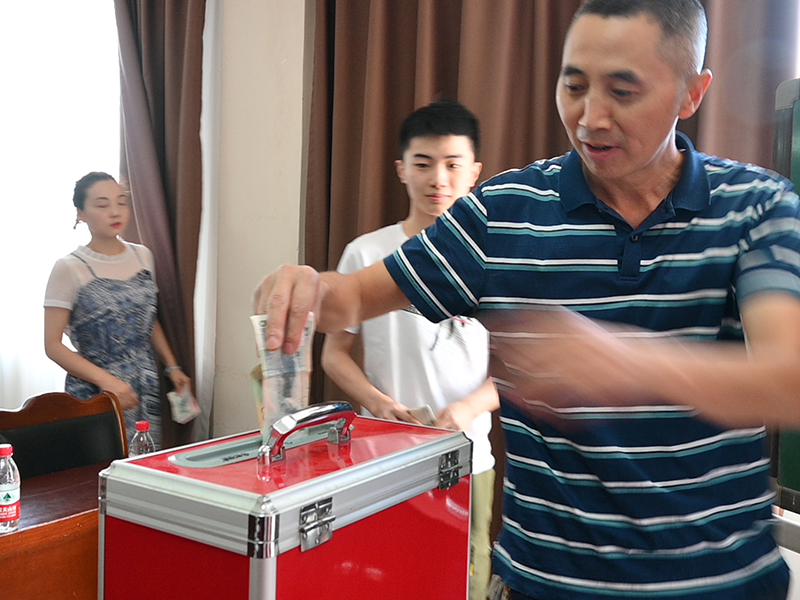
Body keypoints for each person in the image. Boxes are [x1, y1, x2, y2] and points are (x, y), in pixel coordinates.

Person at [253, 1, 800, 598]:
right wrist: (309, 287)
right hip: (545, 582)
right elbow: (354, 298)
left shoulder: (756, 206)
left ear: (691, 94)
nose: (590, 118)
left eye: (623, 92)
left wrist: (627, 362)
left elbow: (789, 381)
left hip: (720, 583)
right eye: (574, 86)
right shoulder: (504, 212)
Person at [321, 100, 499, 600]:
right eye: (423, 163)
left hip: (468, 457)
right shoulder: (366, 254)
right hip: (383, 456)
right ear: (401, 169)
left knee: (465, 578)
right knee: (386, 574)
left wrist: (467, 408)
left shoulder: (496, 258)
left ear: (475, 173)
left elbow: (521, 370)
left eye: (452, 164)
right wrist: (378, 404)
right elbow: (333, 354)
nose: (438, 179)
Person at [44, 172, 191, 448]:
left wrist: (172, 366)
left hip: (144, 383)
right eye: (102, 205)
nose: (115, 211)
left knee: (143, 461)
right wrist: (109, 382)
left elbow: (147, 319)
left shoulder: (142, 256)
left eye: (121, 202)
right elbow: (53, 346)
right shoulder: (69, 268)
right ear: (81, 214)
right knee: (100, 464)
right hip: (95, 390)